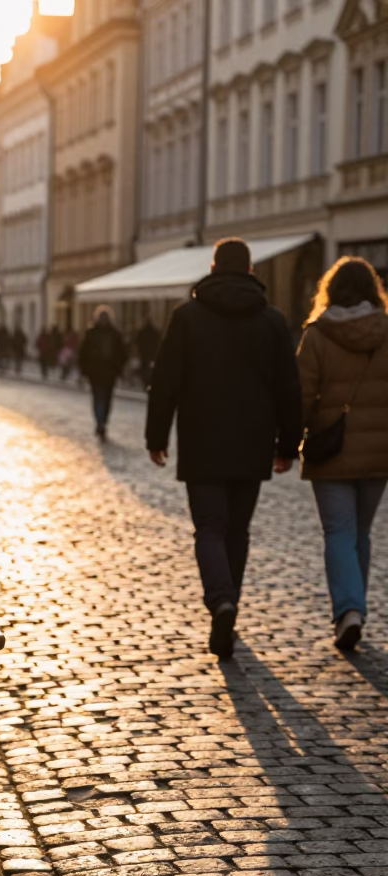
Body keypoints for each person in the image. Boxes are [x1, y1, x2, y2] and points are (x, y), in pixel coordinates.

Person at [146, 237, 302, 660]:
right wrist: (289, 443)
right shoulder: (271, 321)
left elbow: (165, 383)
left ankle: (221, 600)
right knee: (237, 530)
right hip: (252, 443)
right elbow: (290, 387)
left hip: (201, 440)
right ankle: (229, 598)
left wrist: (156, 437)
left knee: (210, 527)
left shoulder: (188, 317)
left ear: (213, 269)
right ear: (251, 271)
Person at [297, 256, 388, 650]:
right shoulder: (386, 330)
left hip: (330, 451)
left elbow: (300, 395)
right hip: (380, 451)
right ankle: (355, 608)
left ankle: (349, 609)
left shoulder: (318, 334)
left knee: (338, 531)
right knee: (360, 532)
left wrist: (288, 440)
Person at [79, 306, 128, 441]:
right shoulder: (92, 333)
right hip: (95, 372)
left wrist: (118, 368)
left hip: (109, 372)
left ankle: (103, 421)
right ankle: (100, 421)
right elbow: (83, 353)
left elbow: (122, 353)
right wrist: (84, 370)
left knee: (106, 399)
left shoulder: (114, 334)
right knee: (98, 398)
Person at [135, 316, 161, 389]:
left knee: (145, 369)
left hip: (146, 354)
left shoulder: (143, 331)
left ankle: (147, 382)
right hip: (151, 354)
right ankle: (148, 382)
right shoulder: (154, 332)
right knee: (148, 369)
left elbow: (138, 341)